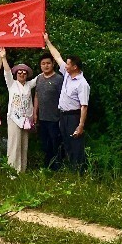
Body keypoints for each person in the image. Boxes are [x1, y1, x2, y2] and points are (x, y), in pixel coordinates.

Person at [47, 33, 88, 170]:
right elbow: (57, 57)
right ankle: (72, 170)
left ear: (75, 67)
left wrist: (81, 125)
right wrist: (47, 41)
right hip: (63, 115)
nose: (66, 66)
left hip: (74, 116)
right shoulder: (67, 75)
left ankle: (80, 172)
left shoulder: (82, 84)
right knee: (67, 143)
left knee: (76, 145)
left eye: (68, 64)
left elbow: (84, 106)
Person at [32, 50, 65, 170]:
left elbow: (64, 97)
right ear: (40, 65)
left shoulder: (59, 79)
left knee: (55, 143)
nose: (46, 66)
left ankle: (57, 167)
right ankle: (47, 166)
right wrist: (35, 113)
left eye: (48, 63)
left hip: (55, 118)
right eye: (43, 63)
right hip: (42, 118)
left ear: (53, 64)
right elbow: (36, 95)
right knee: (45, 144)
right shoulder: (39, 79)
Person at [4, 60, 38, 173]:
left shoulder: (29, 85)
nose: (22, 74)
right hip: (14, 118)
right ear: (16, 74)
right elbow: (7, 72)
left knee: (24, 144)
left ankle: (22, 170)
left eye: (24, 73)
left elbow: (40, 78)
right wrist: (3, 58)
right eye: (19, 73)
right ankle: (12, 170)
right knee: (14, 144)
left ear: (27, 74)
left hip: (26, 120)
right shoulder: (12, 83)